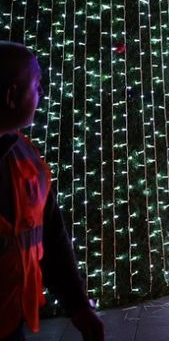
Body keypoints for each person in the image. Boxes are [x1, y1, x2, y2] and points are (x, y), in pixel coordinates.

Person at [1, 42, 104, 341]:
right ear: (11, 96)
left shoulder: (26, 158)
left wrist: (78, 306)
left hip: (10, 323)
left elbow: (50, 236)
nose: (42, 93)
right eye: (36, 85)